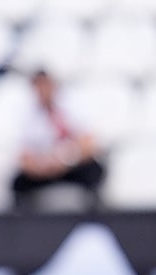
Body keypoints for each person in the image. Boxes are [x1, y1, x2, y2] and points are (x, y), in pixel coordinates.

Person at [11, 69, 105, 211]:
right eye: (39, 87)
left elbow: (89, 144)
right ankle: (22, 223)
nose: (43, 91)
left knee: (94, 170)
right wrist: (41, 166)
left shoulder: (73, 106)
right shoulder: (28, 115)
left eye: (46, 85)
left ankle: (95, 214)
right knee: (18, 183)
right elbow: (24, 157)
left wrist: (65, 159)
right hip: (43, 170)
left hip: (72, 165)